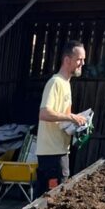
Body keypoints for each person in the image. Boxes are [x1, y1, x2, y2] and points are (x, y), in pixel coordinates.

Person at [35, 40, 87, 196]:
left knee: (48, 199)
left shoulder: (66, 84)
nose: (82, 63)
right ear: (67, 60)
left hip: (59, 152)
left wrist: (76, 123)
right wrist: (71, 117)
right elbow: (44, 113)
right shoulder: (55, 83)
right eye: (79, 59)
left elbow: (61, 119)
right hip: (52, 154)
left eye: (83, 60)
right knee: (52, 199)